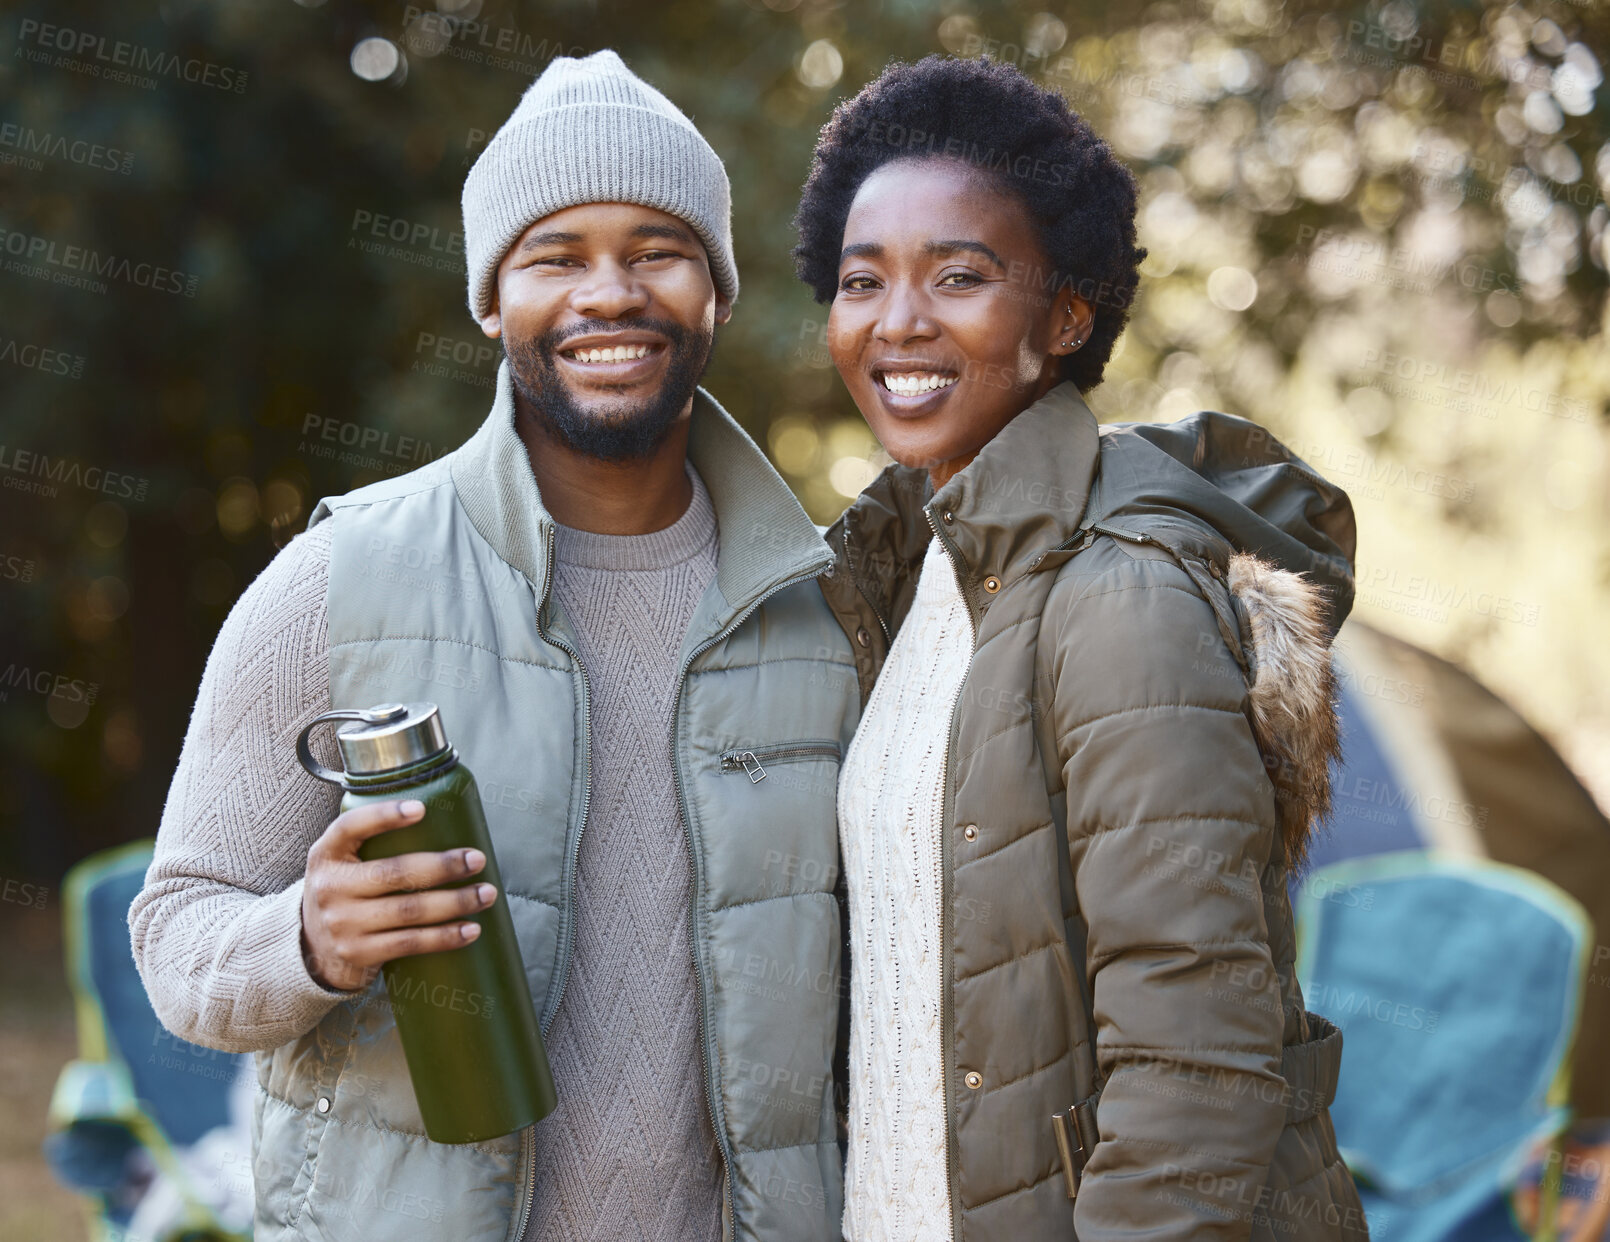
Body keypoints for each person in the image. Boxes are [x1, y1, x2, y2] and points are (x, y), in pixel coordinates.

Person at [130, 50, 858, 1242]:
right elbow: (174, 938)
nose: (607, 293)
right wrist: (308, 937)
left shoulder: (821, 608)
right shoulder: (336, 581)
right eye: (554, 257)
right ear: (489, 300)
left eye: (657, 251)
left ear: (716, 291)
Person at [796, 56, 1369, 1242]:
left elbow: (1196, 1065)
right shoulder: (900, 590)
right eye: (862, 281)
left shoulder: (1120, 596)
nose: (898, 321)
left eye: (959, 276)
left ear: (1063, 315)